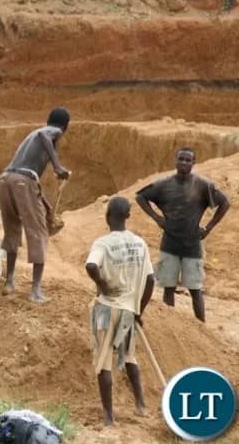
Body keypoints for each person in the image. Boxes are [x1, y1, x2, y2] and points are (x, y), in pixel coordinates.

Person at [135, 147, 229, 322]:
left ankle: (202, 329)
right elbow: (140, 197)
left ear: (194, 163)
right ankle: (171, 326)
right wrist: (157, 218)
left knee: (195, 290)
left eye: (188, 160)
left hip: (193, 245)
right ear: (175, 160)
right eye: (181, 159)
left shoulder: (202, 185)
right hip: (169, 244)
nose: (184, 162)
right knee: (168, 288)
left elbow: (224, 204)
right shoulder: (164, 184)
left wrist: (208, 228)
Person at [85, 196, 154, 426]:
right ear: (128, 216)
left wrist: (102, 285)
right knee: (130, 356)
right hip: (128, 311)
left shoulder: (102, 243)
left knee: (103, 361)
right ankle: (141, 405)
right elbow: (151, 280)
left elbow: (91, 265)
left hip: (106, 309)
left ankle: (108, 417)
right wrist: (138, 311)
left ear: (107, 217)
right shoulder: (140, 243)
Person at [0, 107, 71, 302]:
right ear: (65, 127)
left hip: (6, 179)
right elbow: (43, 136)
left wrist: (47, 208)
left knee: (12, 229)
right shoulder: (50, 132)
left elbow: (32, 187)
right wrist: (57, 166)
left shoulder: (31, 138)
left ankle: (10, 282)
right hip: (23, 180)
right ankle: (35, 291)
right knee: (39, 233)